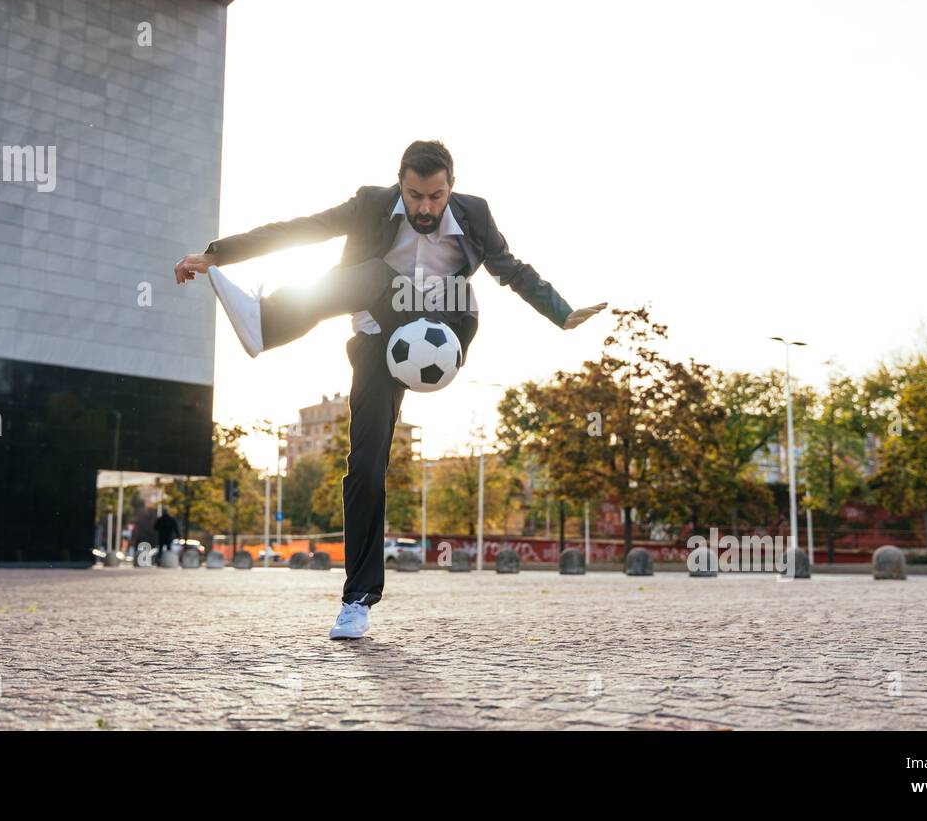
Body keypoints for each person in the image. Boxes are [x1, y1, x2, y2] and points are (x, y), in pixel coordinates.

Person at [174, 140, 605, 638]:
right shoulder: (370, 204)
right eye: (416, 195)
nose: (425, 208)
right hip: (381, 339)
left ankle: (267, 323)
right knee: (365, 464)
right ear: (401, 183)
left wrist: (561, 312)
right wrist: (216, 254)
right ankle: (357, 600)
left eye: (436, 197)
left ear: (451, 189)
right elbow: (300, 230)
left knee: (383, 276)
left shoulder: (476, 215)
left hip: (444, 329)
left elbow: (511, 270)